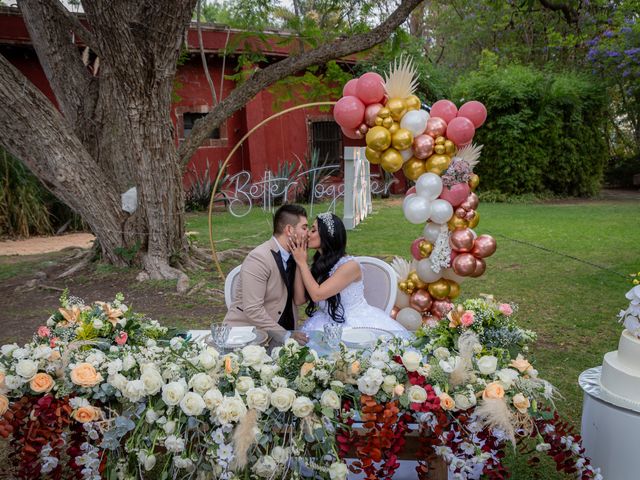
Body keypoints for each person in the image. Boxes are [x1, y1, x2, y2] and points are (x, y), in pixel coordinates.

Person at [289, 212, 407, 333]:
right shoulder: (321, 264)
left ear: (327, 236)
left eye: (313, 230)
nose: (307, 234)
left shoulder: (350, 266)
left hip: (355, 325)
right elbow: (299, 300)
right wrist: (299, 263)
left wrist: (302, 262)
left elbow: (317, 294)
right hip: (325, 321)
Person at [223, 204, 309, 344]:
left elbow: (299, 300)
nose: (308, 233)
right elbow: (253, 309)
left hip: (282, 333)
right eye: (304, 228)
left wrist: (301, 262)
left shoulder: (295, 255)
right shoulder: (259, 258)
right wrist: (286, 336)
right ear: (289, 229)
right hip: (248, 335)